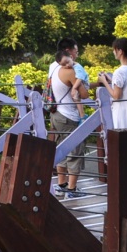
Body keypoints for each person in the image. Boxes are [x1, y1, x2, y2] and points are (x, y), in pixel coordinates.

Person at [50, 50, 90, 198]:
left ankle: (62, 185)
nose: (67, 64)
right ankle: (72, 190)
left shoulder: (55, 69)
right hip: (69, 117)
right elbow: (84, 94)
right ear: (69, 53)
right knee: (75, 150)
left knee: (62, 149)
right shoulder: (71, 72)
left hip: (57, 115)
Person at [99, 37, 127, 130]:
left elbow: (116, 96)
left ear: (120, 51)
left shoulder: (119, 72)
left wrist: (104, 82)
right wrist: (111, 80)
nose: (113, 52)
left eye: (114, 50)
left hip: (123, 113)